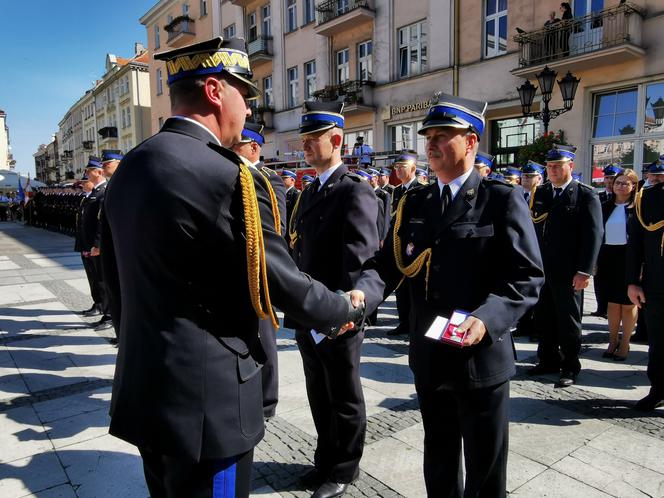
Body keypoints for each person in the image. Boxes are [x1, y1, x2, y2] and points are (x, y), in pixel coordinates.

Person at [100, 37, 362, 498]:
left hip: (145, 390)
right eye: (246, 95)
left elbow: (114, 283)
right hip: (209, 404)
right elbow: (277, 280)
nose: (248, 114)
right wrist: (341, 308)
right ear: (216, 91)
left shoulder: (131, 167)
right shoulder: (228, 175)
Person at [349, 93, 544, 497]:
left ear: (471, 141)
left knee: (485, 468)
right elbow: (387, 264)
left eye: (443, 135)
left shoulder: (501, 199)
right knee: (438, 458)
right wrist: (361, 295)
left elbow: (526, 277)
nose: (431, 144)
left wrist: (487, 319)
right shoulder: (416, 200)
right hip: (430, 354)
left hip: (479, 358)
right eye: (428, 136)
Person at [288, 101, 379, 498]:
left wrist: (346, 311)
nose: (305, 146)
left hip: (338, 313)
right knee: (317, 392)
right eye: (304, 139)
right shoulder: (309, 191)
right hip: (310, 312)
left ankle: (344, 468)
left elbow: (361, 257)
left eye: (312, 139)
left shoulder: (354, 190)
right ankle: (324, 459)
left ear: (336, 140)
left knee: (343, 396)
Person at [528, 144, 603, 387]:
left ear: (570, 166)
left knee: (568, 320)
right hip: (542, 269)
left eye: (558, 166)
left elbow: (594, 234)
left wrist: (584, 270)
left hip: (569, 271)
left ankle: (570, 365)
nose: (553, 171)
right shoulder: (541, 193)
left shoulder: (585, 194)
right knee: (544, 317)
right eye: (549, 167)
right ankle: (547, 359)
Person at [231, 122, 286, 419]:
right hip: (237, 271)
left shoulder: (268, 179)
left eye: (237, 144)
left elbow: (275, 229)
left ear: (253, 147)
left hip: (260, 271)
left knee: (265, 335)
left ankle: (267, 400)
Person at [627, 160, 664, 411]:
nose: (657, 181)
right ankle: (658, 389)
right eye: (655, 177)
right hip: (656, 283)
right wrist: (632, 281)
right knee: (659, 342)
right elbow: (636, 246)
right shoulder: (647, 199)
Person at [596, 169, 638, 361]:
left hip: (630, 258)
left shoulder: (638, 207)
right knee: (612, 304)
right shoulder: (603, 206)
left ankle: (625, 343)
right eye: (618, 182)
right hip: (608, 258)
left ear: (633, 186)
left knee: (628, 305)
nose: (621, 186)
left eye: (625, 183)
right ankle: (613, 341)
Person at [387, 150, 419, 336]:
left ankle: (414, 324)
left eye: (402, 167)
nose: (397, 170)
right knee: (400, 287)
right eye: (396, 167)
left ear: (413, 168)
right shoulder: (397, 191)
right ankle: (403, 322)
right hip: (398, 244)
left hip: (413, 247)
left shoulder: (421, 189)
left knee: (413, 287)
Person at [79, 157, 113, 331]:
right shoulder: (93, 193)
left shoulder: (104, 191)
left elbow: (102, 222)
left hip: (98, 246)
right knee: (96, 278)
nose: (86, 174)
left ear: (98, 172)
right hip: (90, 244)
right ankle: (101, 307)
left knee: (103, 280)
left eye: (88, 171)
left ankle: (109, 315)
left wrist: (98, 244)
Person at [75, 170, 102, 318]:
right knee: (92, 276)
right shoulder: (86, 198)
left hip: (94, 244)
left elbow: (99, 223)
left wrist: (96, 244)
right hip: (86, 243)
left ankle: (103, 306)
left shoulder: (100, 195)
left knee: (99, 277)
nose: (84, 185)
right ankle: (97, 302)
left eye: (86, 182)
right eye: (83, 183)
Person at [368, 168, 391, 244]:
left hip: (378, 232)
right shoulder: (368, 193)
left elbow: (386, 217)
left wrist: (383, 236)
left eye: (370, 178)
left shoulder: (384, 194)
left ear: (376, 178)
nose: (368, 180)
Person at [281, 169, 301, 247]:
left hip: (290, 231)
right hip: (283, 229)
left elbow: (296, 215)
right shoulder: (282, 193)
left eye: (284, 178)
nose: (282, 180)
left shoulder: (296, 194)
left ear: (292, 180)